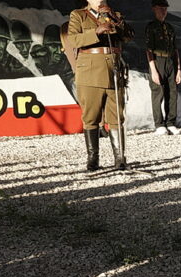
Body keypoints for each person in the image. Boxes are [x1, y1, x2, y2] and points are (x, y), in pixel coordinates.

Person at [65, 0, 132, 171]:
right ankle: (93, 158)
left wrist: (114, 20)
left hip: (114, 72)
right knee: (91, 116)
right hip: (90, 73)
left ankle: (120, 158)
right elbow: (72, 39)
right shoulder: (78, 15)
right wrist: (96, 31)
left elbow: (128, 36)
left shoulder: (115, 15)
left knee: (116, 115)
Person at [145, 0, 181, 135]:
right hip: (158, 60)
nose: (163, 11)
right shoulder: (151, 27)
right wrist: (153, 70)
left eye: (165, 8)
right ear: (154, 9)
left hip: (170, 61)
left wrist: (178, 69)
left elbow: (176, 48)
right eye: (161, 8)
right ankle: (159, 124)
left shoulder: (170, 27)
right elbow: (149, 50)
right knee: (158, 93)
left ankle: (171, 122)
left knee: (172, 94)